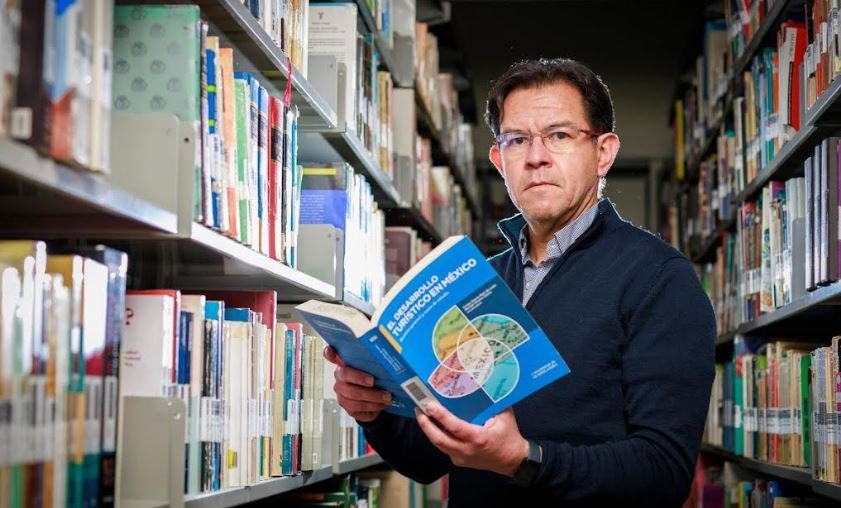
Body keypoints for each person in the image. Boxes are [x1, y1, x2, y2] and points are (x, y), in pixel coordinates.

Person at [324, 58, 715, 507]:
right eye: (517, 140)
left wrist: (523, 460)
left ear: (603, 152)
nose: (536, 157)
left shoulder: (659, 279)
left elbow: (664, 472)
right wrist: (374, 413)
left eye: (559, 135)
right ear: (499, 159)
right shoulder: (478, 281)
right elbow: (426, 461)